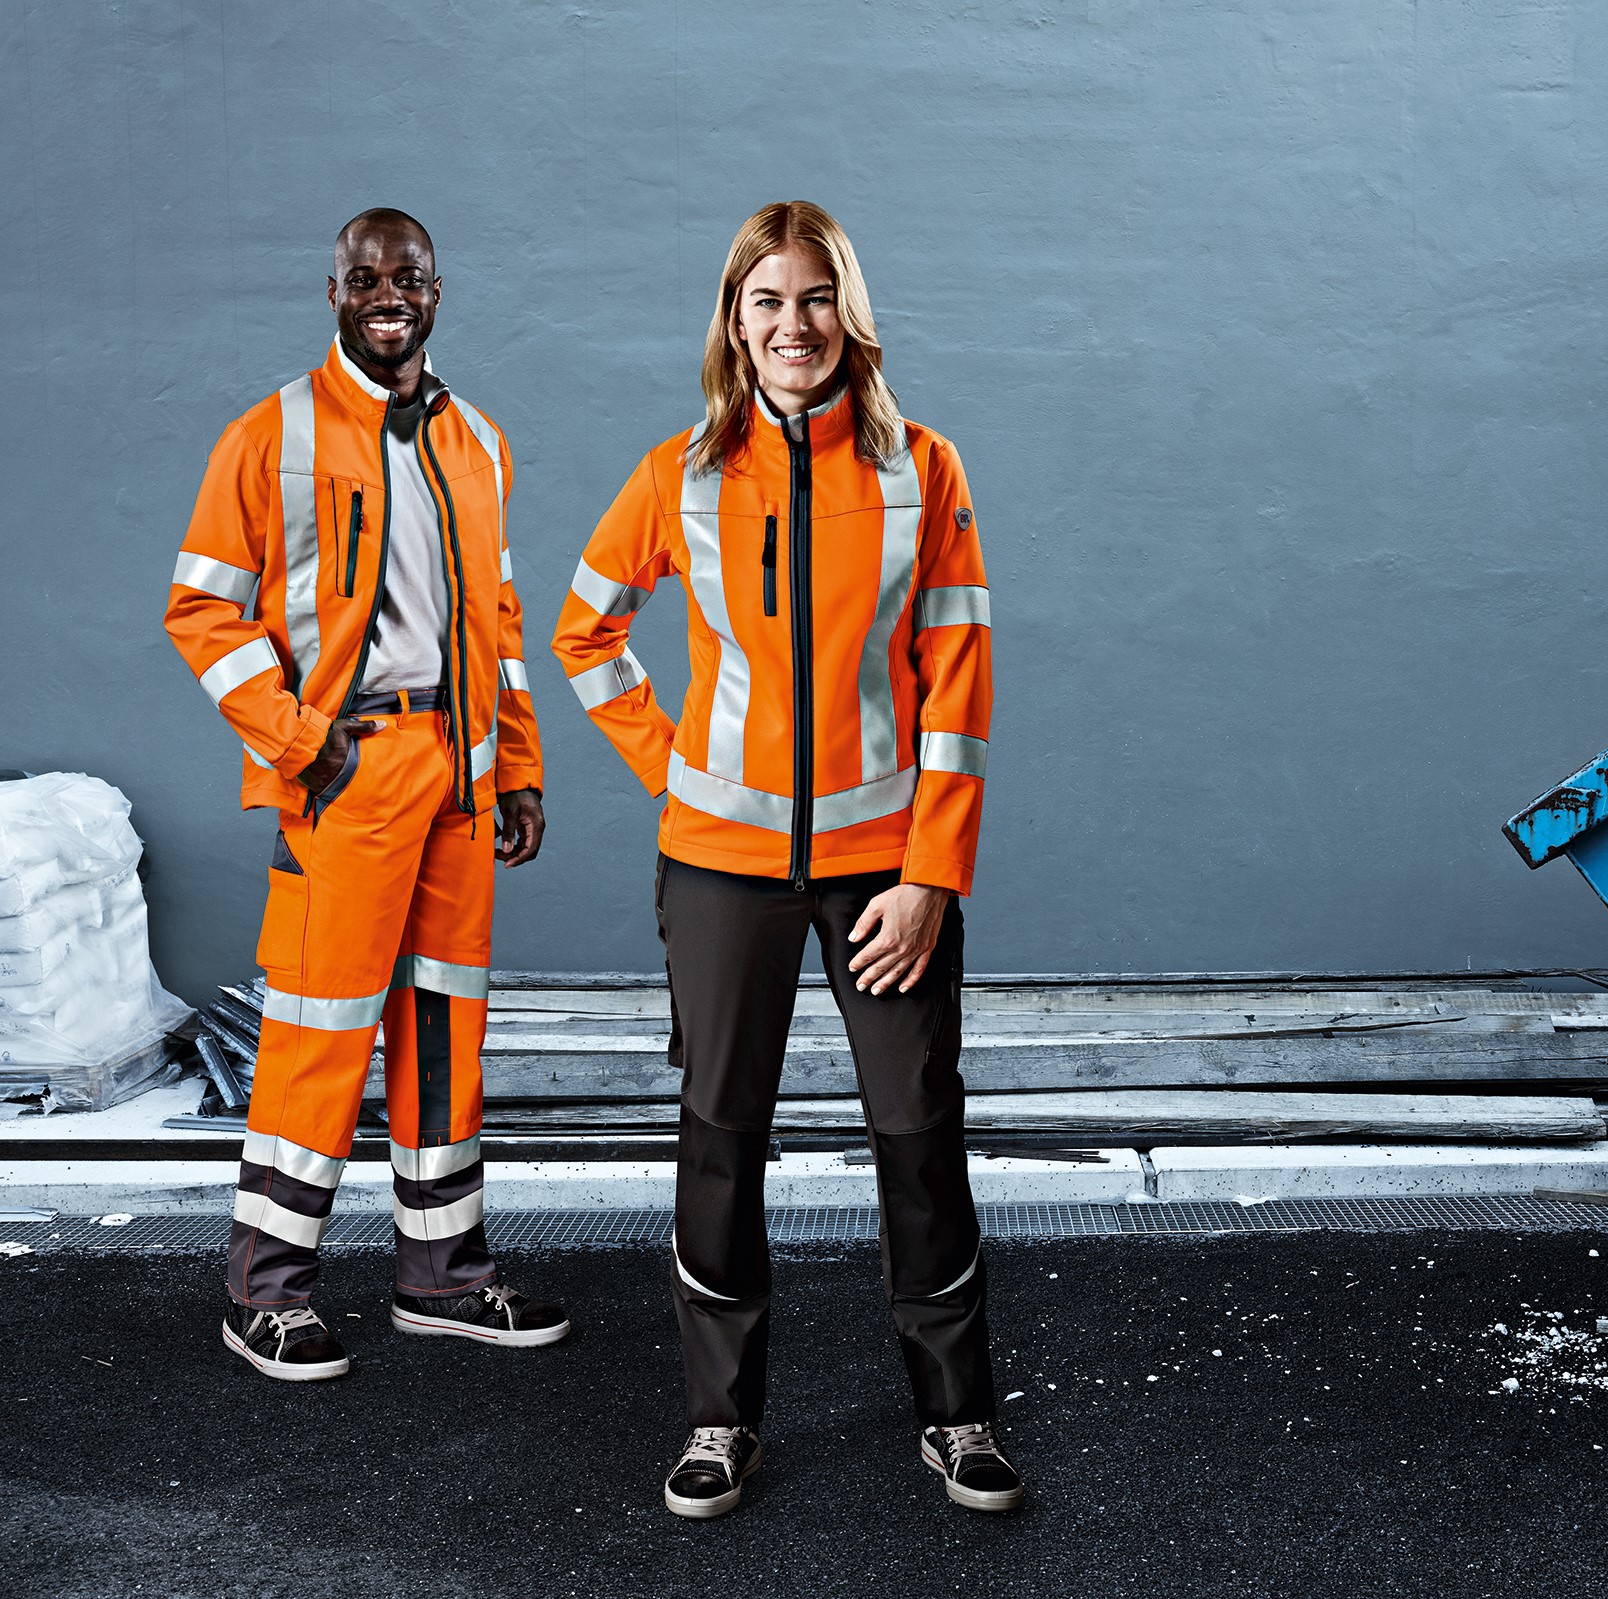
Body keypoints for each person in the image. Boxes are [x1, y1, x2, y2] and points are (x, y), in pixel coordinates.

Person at [552, 200, 1020, 1516]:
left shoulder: (925, 470)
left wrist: (932, 871)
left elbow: (958, 683)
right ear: (733, 321)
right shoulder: (679, 474)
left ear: (848, 315)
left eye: (815, 297)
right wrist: (675, 767)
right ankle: (718, 1419)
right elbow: (585, 631)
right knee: (718, 1138)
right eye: (766, 300)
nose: (792, 323)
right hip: (718, 870)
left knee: (920, 1135)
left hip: (887, 869)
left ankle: (958, 1414)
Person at [164, 208, 568, 1380]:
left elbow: (497, 625)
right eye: (365, 277)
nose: (388, 293)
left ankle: (442, 1276)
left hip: (460, 771)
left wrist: (521, 766)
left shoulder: (477, 439)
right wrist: (306, 747)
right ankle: (267, 1290)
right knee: (318, 1025)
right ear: (331, 290)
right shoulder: (273, 435)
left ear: (438, 290)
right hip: (349, 775)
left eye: (409, 276)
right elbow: (201, 609)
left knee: (444, 1026)